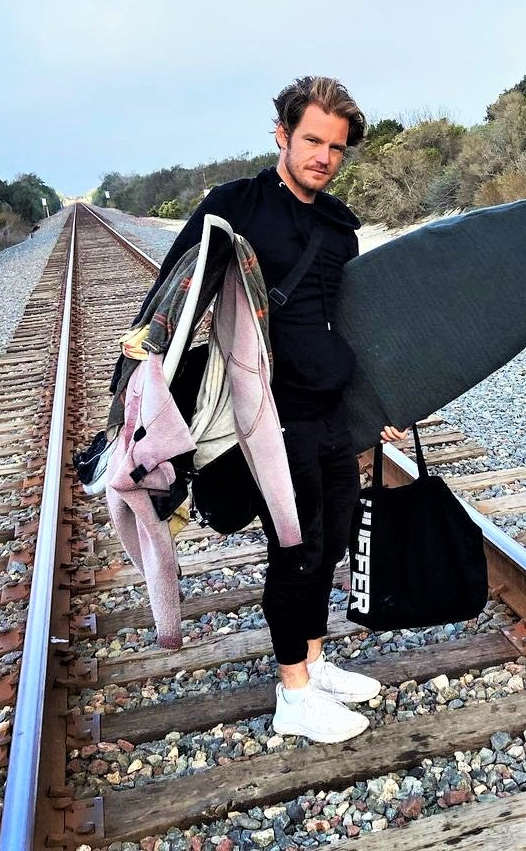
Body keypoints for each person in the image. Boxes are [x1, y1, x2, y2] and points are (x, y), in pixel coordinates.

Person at [136, 75, 404, 743]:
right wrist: (140, 393)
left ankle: (313, 661)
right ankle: (294, 695)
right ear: (283, 135)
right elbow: (174, 296)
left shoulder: (339, 227)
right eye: (312, 140)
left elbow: (350, 322)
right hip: (268, 416)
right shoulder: (237, 206)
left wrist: (386, 400)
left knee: (333, 538)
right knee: (297, 549)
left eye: (336, 147)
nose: (324, 157)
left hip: (330, 411)